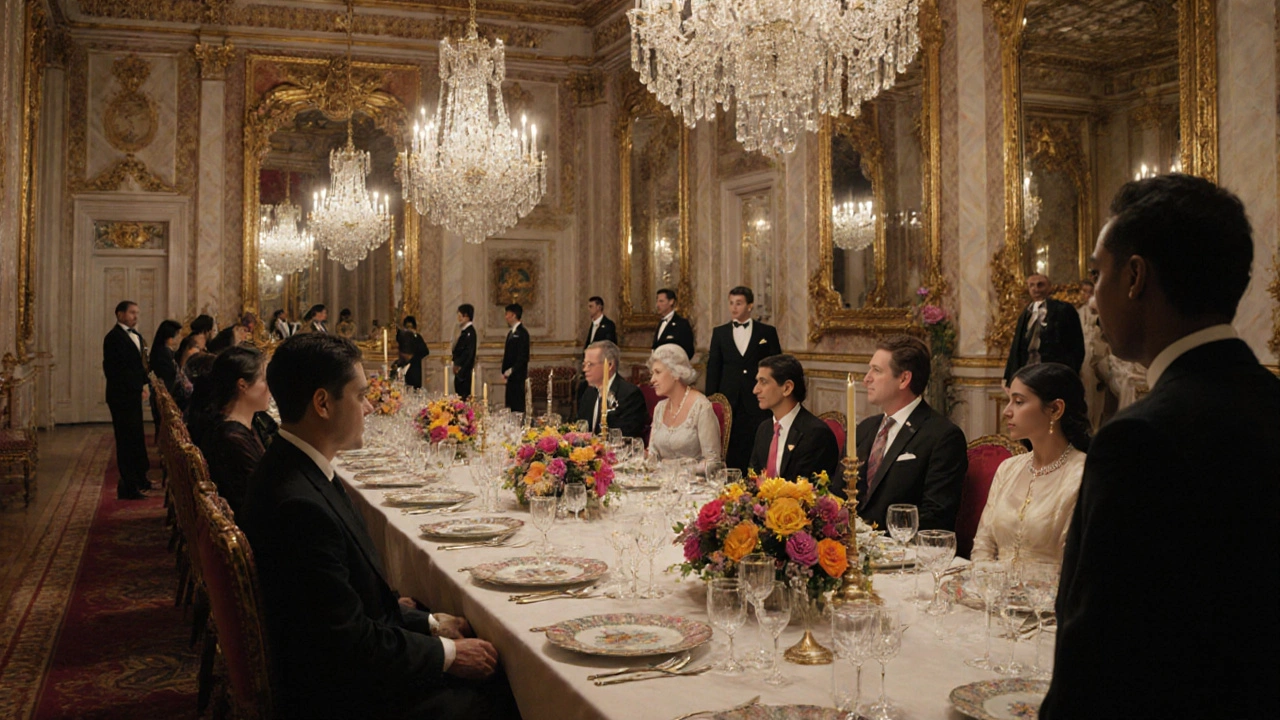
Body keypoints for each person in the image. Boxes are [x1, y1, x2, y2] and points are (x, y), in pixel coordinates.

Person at [1041, 175, 1280, 720]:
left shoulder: (1139, 439)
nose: (1092, 298)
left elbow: (1101, 657)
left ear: (1134, 277)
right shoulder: (1268, 401)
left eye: (1097, 273)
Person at [240, 334, 516, 720]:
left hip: (340, 663)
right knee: (509, 690)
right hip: (344, 696)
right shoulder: (298, 504)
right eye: (360, 395)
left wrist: (431, 622)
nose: (369, 407)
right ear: (322, 403)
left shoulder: (297, 467)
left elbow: (346, 607)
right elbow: (348, 643)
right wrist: (449, 655)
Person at [970, 362, 1088, 565]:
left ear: (1055, 410)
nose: (1007, 411)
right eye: (1009, 401)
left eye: (1018, 402)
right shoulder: (1008, 468)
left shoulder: (1082, 474)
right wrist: (988, 585)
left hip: (1050, 595)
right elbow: (984, 544)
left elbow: (1076, 564)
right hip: (994, 591)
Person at [855, 335, 967, 531]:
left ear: (904, 379)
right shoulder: (865, 429)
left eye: (877, 370)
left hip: (901, 552)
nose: (866, 379)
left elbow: (936, 516)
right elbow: (837, 494)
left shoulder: (942, 436)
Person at [705, 286, 782, 471]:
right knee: (731, 445)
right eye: (731, 303)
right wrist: (711, 400)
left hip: (758, 399)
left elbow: (777, 367)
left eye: (738, 303)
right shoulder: (720, 333)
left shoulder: (767, 332)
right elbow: (713, 367)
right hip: (729, 399)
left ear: (750, 305)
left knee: (757, 443)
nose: (734, 308)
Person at [196, 346, 271, 515]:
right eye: (265, 380)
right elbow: (264, 497)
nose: (270, 387)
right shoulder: (231, 438)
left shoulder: (233, 423)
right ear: (242, 385)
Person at [748, 354, 841, 482]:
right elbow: (753, 478)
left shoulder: (816, 434)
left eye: (763, 382)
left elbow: (806, 492)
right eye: (757, 381)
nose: (755, 390)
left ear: (787, 388)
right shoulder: (764, 429)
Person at [102, 300, 151, 500]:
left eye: (137, 313)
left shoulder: (136, 335)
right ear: (120, 314)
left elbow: (140, 366)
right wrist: (134, 388)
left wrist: (144, 385)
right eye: (131, 312)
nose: (135, 316)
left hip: (133, 394)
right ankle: (128, 485)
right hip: (121, 396)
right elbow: (115, 370)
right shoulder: (113, 338)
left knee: (137, 437)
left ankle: (140, 478)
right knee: (126, 440)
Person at [646, 344, 721, 470]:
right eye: (652, 373)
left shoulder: (701, 407)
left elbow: (713, 462)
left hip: (693, 486)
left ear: (676, 373)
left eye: (658, 372)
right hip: (661, 484)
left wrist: (678, 470)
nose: (652, 380)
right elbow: (652, 456)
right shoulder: (659, 408)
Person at [1002, 273, 1085, 385]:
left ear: (1049, 287)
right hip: (1028, 371)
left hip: (1055, 372)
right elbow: (1016, 347)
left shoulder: (1064, 310)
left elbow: (1077, 344)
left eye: (1040, 285)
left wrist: (1071, 371)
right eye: (1032, 285)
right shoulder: (1025, 314)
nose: (1036, 289)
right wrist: (1009, 377)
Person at [575, 340, 646, 438]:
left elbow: (626, 435)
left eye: (590, 364)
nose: (585, 369)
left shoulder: (629, 394)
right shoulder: (589, 392)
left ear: (609, 365)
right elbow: (579, 426)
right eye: (584, 364)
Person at [149, 319, 183, 430]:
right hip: (166, 395)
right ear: (169, 337)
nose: (178, 338)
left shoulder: (165, 351)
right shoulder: (162, 353)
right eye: (177, 335)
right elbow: (170, 375)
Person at [651, 287, 695, 360]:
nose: (658, 305)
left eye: (661, 301)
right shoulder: (661, 323)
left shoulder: (681, 324)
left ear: (671, 301)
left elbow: (688, 350)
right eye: (657, 301)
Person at [500, 303, 529, 413]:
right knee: (510, 405)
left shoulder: (523, 333)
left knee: (517, 406)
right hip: (510, 377)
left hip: (518, 376)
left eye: (507, 314)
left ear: (513, 315)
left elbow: (523, 356)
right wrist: (504, 371)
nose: (505, 317)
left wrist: (512, 369)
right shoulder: (511, 333)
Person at [395, 316, 430, 389]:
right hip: (404, 364)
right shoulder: (402, 336)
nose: (409, 329)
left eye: (411, 327)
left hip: (415, 366)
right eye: (407, 327)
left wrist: (413, 358)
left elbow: (425, 351)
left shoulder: (417, 337)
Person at [452, 305, 477, 400]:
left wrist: (461, 370)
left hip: (464, 373)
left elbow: (469, 354)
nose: (458, 318)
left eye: (460, 316)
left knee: (463, 399)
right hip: (460, 371)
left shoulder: (470, 332)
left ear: (466, 316)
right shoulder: (464, 332)